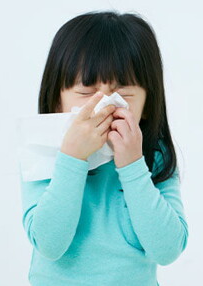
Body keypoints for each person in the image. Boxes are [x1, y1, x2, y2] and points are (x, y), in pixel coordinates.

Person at [19, 10, 188, 285]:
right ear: (56, 101)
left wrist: (133, 167)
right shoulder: (42, 152)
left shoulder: (155, 156)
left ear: (147, 104)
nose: (106, 105)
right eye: (86, 93)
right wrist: (72, 157)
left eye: (124, 94)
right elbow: (49, 244)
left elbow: (168, 250)